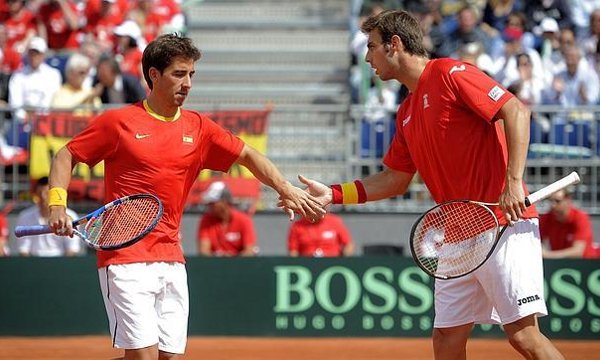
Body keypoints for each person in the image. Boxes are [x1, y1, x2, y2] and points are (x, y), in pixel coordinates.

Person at [294, 10, 565, 360]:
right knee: (446, 340)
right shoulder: (405, 112)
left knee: (524, 336)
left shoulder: (452, 73)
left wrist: (513, 182)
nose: (366, 58)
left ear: (394, 45)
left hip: (504, 222)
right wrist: (333, 193)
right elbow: (394, 179)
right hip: (457, 236)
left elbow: (516, 112)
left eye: (372, 47)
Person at [46, 33, 324, 360]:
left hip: (172, 257)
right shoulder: (118, 122)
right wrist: (56, 205)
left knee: (170, 358)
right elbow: (66, 155)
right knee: (144, 357)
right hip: (125, 258)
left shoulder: (200, 128)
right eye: (179, 73)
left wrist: (285, 187)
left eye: (192, 74)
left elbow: (249, 155)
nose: (188, 83)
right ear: (153, 75)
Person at [15, 176, 81, 257]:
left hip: (61, 263)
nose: (43, 197)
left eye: (47, 193)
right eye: (39, 193)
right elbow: (23, 250)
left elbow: (72, 250)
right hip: (33, 264)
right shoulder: (25, 216)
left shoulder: (71, 216)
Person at [197, 181, 257, 257]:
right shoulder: (206, 220)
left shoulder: (244, 220)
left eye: (213, 203)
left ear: (225, 202)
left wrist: (231, 261)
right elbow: (204, 251)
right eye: (209, 203)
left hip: (240, 266)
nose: (209, 205)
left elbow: (249, 251)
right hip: (214, 266)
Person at [539, 188, 596, 258]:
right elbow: (538, 242)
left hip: (585, 264)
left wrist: (548, 255)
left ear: (568, 200)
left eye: (557, 201)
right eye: (551, 201)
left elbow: (578, 252)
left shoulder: (580, 218)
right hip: (561, 264)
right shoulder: (546, 218)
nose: (553, 205)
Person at [287, 212, 354, 257]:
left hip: (332, 261)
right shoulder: (297, 225)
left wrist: (345, 261)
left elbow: (348, 244)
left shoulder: (335, 221)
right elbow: (293, 251)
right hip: (307, 262)